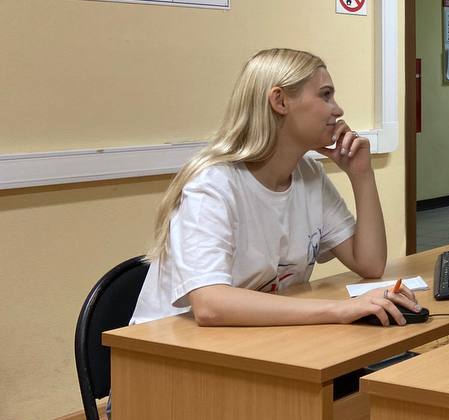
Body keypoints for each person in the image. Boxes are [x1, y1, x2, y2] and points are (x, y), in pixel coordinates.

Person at [132, 48, 421, 327]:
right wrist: (340, 309)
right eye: (325, 95)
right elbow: (210, 305)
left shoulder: (308, 174)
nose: (338, 109)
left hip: (248, 337)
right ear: (280, 101)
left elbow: (370, 264)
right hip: (167, 348)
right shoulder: (213, 183)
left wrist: (361, 175)